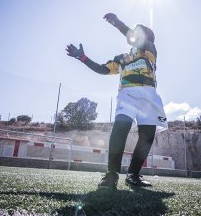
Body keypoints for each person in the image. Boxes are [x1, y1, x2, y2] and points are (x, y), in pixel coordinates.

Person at [66, 13, 168, 189]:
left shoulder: (150, 49)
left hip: (149, 95)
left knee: (147, 136)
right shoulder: (121, 58)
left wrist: (117, 23)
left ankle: (133, 175)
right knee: (121, 127)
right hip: (127, 94)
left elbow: (135, 38)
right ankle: (112, 174)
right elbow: (102, 69)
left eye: (139, 33)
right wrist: (82, 58)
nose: (135, 35)